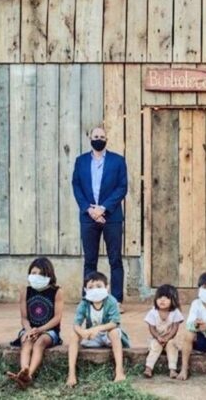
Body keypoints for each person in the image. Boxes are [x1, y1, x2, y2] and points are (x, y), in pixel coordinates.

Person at [72, 126, 128, 308]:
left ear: (107, 138)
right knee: (90, 260)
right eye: (96, 136)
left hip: (111, 217)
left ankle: (117, 300)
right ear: (90, 137)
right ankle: (89, 298)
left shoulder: (118, 161)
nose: (99, 139)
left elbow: (122, 187)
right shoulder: (80, 161)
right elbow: (77, 186)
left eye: (102, 136)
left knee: (115, 259)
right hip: (88, 217)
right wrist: (89, 209)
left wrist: (103, 208)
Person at [6, 257, 64, 389]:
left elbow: (57, 317)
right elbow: (24, 318)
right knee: (26, 342)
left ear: (49, 275)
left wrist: (40, 330)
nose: (36, 276)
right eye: (33, 273)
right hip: (29, 328)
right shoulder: (25, 291)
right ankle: (24, 370)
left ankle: (28, 375)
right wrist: (28, 330)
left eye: (41, 274)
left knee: (39, 343)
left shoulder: (57, 292)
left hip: (49, 331)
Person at [66, 271, 129, 387]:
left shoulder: (111, 301)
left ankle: (119, 371)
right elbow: (76, 324)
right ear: (85, 290)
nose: (95, 289)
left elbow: (115, 322)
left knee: (114, 332)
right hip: (92, 338)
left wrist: (98, 328)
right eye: (90, 287)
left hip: (108, 337)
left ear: (107, 287)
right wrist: (82, 332)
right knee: (73, 335)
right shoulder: (84, 303)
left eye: (99, 286)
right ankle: (71, 374)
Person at [143, 284, 184, 379]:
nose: (162, 300)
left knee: (172, 346)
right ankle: (149, 368)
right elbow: (151, 328)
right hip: (157, 338)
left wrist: (167, 338)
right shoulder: (153, 312)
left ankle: (172, 369)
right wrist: (158, 337)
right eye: (159, 297)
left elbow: (175, 328)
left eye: (166, 298)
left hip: (170, 338)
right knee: (155, 346)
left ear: (173, 300)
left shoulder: (175, 312)